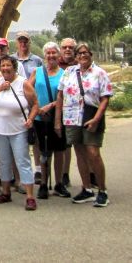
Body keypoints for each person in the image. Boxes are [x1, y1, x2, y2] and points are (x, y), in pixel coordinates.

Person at [55, 42, 113, 207]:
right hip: (72, 117)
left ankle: (102, 190)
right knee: (79, 153)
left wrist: (96, 118)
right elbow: (60, 96)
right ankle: (87, 189)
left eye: (85, 52)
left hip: (91, 115)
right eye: (79, 53)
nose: (82, 55)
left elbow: (105, 97)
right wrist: (57, 121)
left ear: (90, 54)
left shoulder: (99, 73)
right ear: (76, 56)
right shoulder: (69, 72)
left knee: (93, 152)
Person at [0, 55, 40, 211]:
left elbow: (35, 104)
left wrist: (30, 119)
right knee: (4, 162)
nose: (5, 68)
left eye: (8, 65)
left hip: (18, 130)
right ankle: (6, 192)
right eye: (2, 66)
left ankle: (30, 196)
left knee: (22, 161)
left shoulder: (23, 83)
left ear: (14, 67)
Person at [29, 41, 71, 199]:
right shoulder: (37, 72)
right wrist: (36, 106)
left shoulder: (64, 74)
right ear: (44, 55)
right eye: (48, 53)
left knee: (59, 150)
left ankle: (59, 183)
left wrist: (51, 105)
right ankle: (44, 184)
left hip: (58, 117)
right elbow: (27, 90)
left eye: (54, 53)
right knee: (44, 151)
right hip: (40, 118)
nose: (51, 55)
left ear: (58, 55)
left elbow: (67, 95)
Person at [13, 32, 44, 180]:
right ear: (17, 42)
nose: (23, 44)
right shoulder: (11, 60)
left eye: (25, 41)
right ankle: (18, 172)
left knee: (35, 137)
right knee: (18, 137)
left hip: (32, 102)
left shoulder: (37, 60)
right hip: (16, 103)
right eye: (21, 41)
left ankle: (37, 168)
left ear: (29, 43)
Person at [57, 37, 78, 187]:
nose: (67, 49)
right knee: (65, 145)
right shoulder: (56, 64)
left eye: (70, 47)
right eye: (64, 47)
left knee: (82, 144)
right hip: (61, 109)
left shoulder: (81, 64)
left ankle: (90, 174)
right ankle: (64, 174)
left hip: (78, 110)